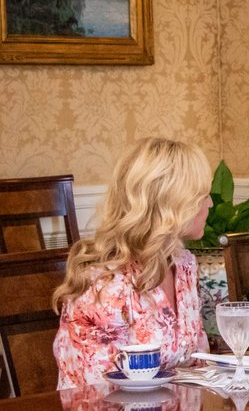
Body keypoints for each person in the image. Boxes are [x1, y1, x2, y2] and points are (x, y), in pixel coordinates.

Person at [53, 138, 212, 389]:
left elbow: (198, 367)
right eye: (203, 196)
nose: (210, 204)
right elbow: (97, 395)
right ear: (171, 203)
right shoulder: (105, 285)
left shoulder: (184, 266)